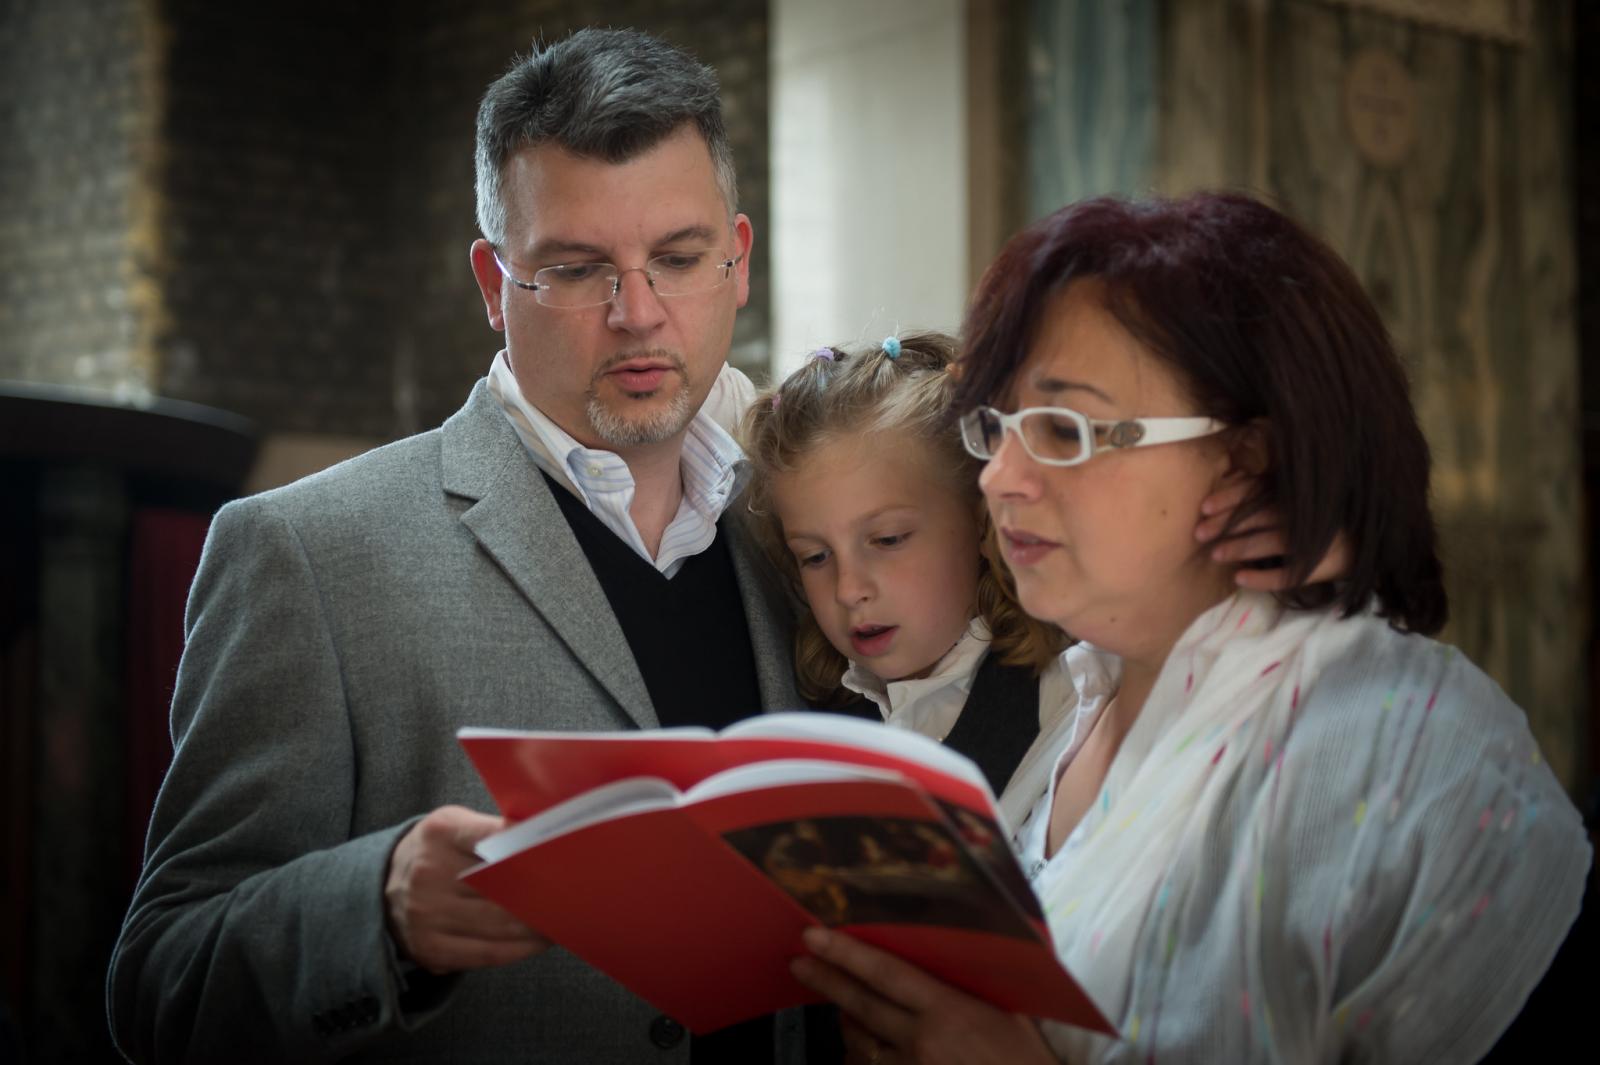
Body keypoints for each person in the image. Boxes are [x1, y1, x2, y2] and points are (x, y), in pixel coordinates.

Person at [107, 28, 804, 1065]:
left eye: (678, 257)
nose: (639, 314)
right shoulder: (306, 551)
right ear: (492, 280)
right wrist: (378, 913)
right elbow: (161, 985)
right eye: (575, 270)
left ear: (738, 259)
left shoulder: (802, 536)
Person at [789, 192, 1592, 1063]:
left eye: (1063, 427)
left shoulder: (1409, 750)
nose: (1001, 478)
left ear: (1246, 457)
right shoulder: (1093, 701)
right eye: (1000, 427)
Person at [740, 333, 1074, 832]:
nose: (849, 589)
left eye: (889, 539)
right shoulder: (815, 720)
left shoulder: (1067, 701)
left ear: (982, 521)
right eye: (815, 556)